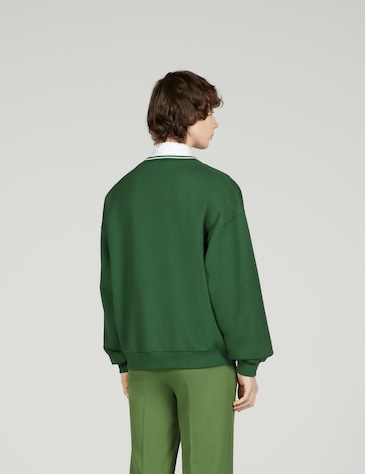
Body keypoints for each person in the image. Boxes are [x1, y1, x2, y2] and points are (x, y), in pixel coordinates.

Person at [100, 70, 273, 474]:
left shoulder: (120, 194)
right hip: (204, 363)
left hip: (144, 360)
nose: (215, 123)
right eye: (209, 112)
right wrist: (248, 362)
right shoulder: (217, 189)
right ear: (187, 116)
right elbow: (234, 281)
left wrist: (123, 358)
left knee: (147, 468)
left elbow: (112, 284)